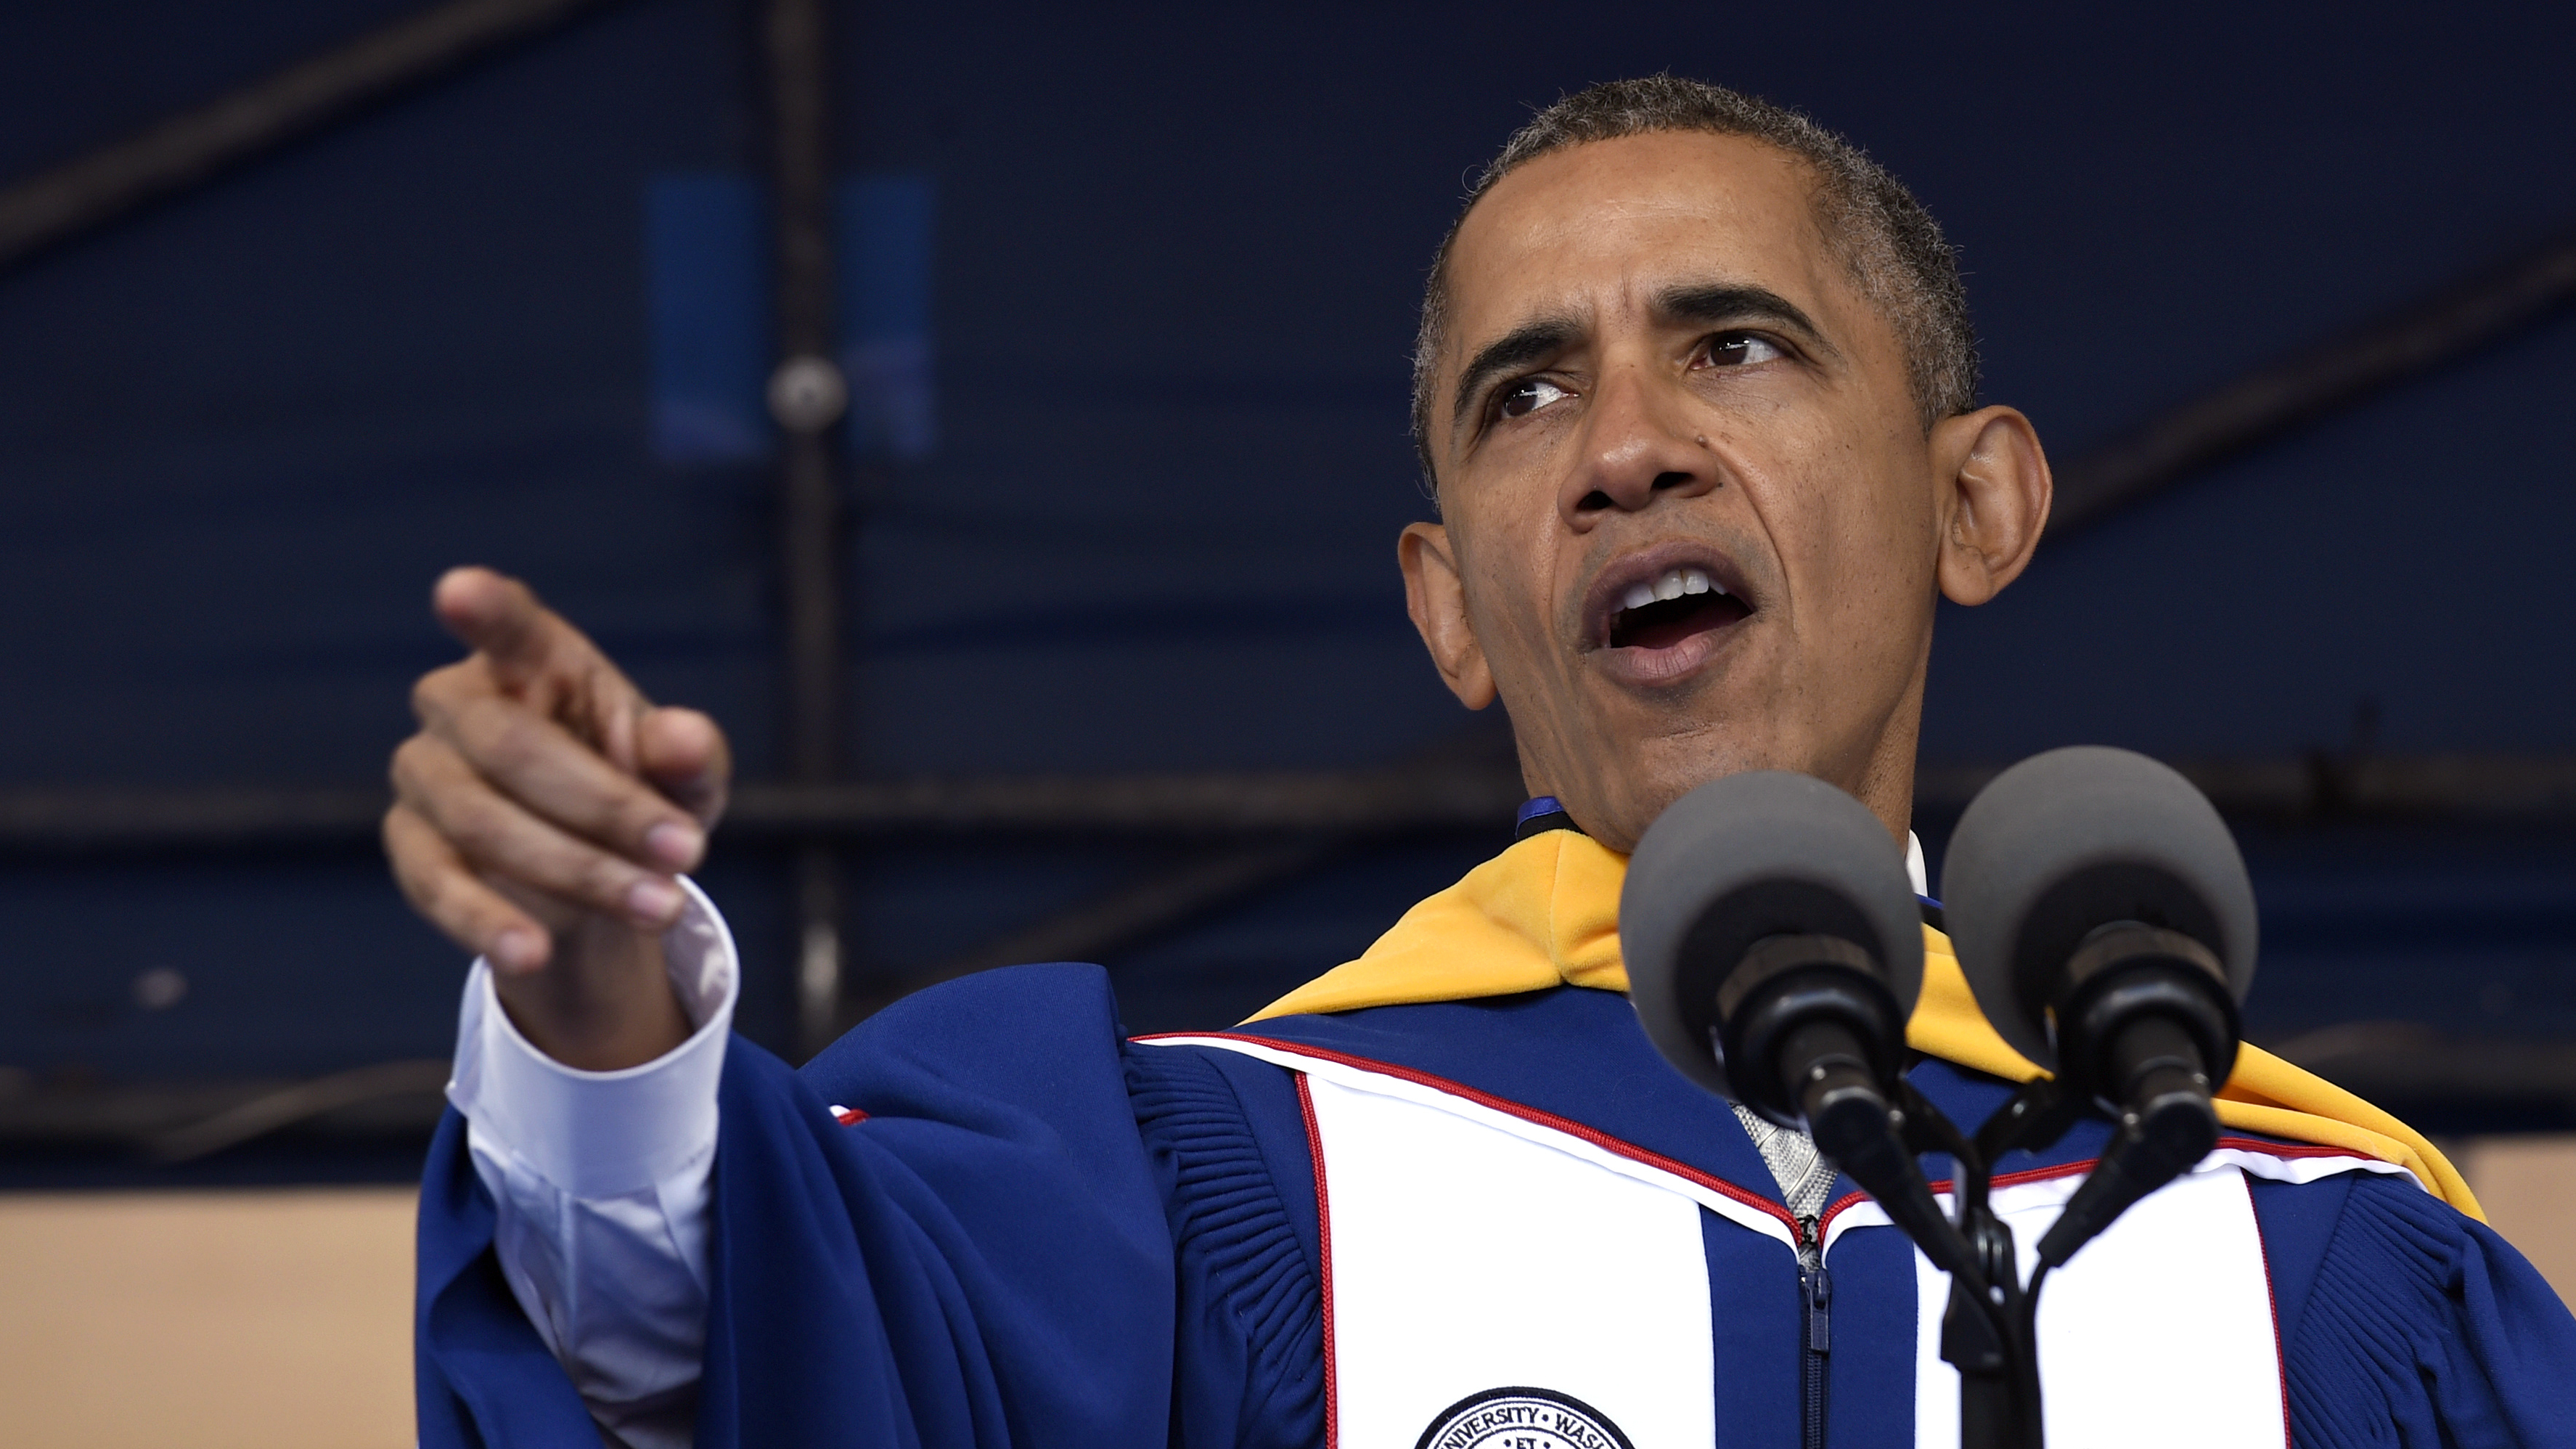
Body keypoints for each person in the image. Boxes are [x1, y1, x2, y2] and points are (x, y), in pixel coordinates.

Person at [391, 78, 2576, 1449]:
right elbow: (710, 1345)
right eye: (1527, 396)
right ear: (1450, 606)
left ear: (1975, 503)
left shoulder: (2318, 1260)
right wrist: (595, 981)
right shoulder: (1209, 1189)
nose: (1626, 450)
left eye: (1736, 346)